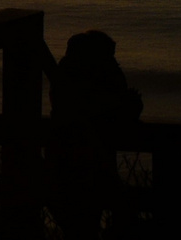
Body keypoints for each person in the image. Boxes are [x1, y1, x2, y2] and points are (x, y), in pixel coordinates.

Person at [46, 30, 144, 240]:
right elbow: (111, 111)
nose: (114, 61)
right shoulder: (94, 78)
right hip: (88, 167)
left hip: (71, 166)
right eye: (110, 55)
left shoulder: (67, 77)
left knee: (82, 224)